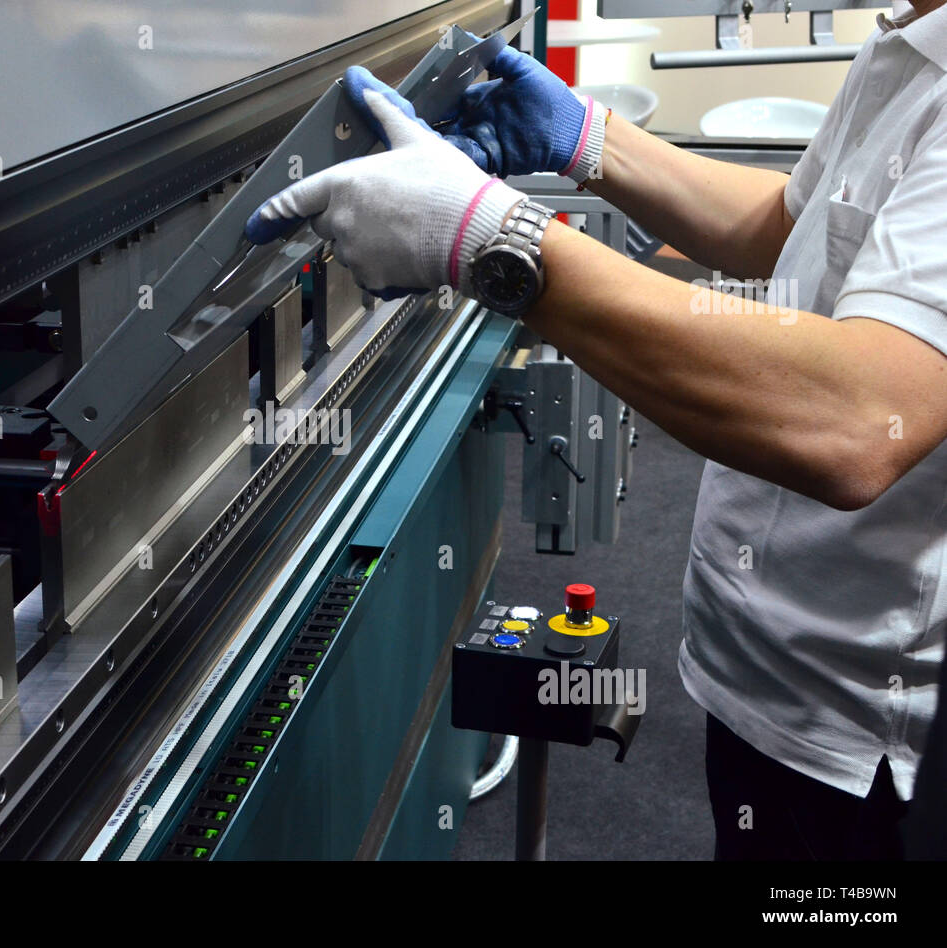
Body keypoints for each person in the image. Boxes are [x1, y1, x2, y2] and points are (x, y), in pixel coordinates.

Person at [247, 2, 947, 860]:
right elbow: (789, 226)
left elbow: (862, 418)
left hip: (867, 748)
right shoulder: (912, 36)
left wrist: (490, 239)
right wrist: (587, 138)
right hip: (777, 679)